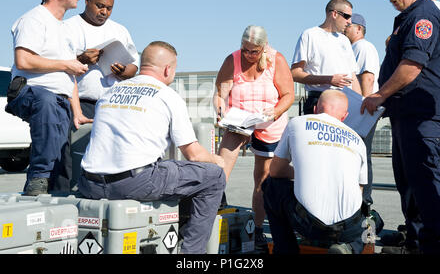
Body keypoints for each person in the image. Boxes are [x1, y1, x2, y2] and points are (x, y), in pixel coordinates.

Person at [78, 41, 226, 254]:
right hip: (133, 183)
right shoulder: (167, 96)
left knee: (169, 170)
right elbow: (193, 154)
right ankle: (192, 255)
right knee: (213, 177)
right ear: (168, 69)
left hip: (89, 184)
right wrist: (217, 161)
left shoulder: (110, 92)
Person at [362, 0, 440, 254]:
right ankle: (417, 244)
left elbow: (412, 67)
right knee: (411, 188)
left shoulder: (423, 15)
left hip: (423, 119)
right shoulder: (406, 18)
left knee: (428, 192)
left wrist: (380, 95)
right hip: (406, 117)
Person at [5, 0, 92, 196]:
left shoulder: (64, 29)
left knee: (59, 156)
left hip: (58, 99)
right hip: (32, 92)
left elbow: (69, 76)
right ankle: (38, 179)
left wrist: (77, 112)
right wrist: (67, 64)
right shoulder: (34, 19)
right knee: (47, 103)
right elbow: (23, 60)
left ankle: (41, 200)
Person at [214, 25, 294, 249]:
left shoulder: (276, 60)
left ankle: (257, 229)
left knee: (263, 177)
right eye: (245, 49)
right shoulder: (233, 60)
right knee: (222, 163)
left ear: (263, 48)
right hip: (239, 120)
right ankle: (215, 203)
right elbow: (220, 94)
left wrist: (276, 112)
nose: (248, 55)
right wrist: (220, 108)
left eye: (253, 51)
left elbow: (288, 94)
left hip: (269, 120)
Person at [262, 90, 368, 254]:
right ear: (345, 116)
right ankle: (350, 248)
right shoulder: (358, 140)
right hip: (346, 229)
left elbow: (275, 171)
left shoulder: (296, 123)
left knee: (271, 186)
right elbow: (359, 190)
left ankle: (285, 250)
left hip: (310, 225)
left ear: (315, 108)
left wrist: (302, 174)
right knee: (373, 221)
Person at [60, 0, 140, 192]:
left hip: (111, 105)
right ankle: (69, 193)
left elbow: (134, 65)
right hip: (79, 103)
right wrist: (81, 58)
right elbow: (57, 63)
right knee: (73, 153)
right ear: (87, 0)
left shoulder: (119, 30)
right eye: (99, 6)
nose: (104, 12)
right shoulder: (68, 27)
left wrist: (124, 71)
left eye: (109, 8)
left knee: (110, 155)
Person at [291, 0, 362, 115]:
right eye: (347, 16)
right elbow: (295, 73)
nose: (349, 22)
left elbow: (352, 76)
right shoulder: (309, 35)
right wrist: (329, 80)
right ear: (334, 14)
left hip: (345, 104)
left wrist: (360, 103)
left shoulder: (344, 40)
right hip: (320, 102)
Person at [343, 13, 380, 210]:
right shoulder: (352, 48)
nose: (344, 28)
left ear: (359, 29)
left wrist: (364, 107)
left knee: (362, 156)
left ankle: (364, 202)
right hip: (358, 109)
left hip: (363, 109)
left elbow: (368, 78)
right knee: (355, 155)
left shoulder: (364, 47)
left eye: (348, 26)